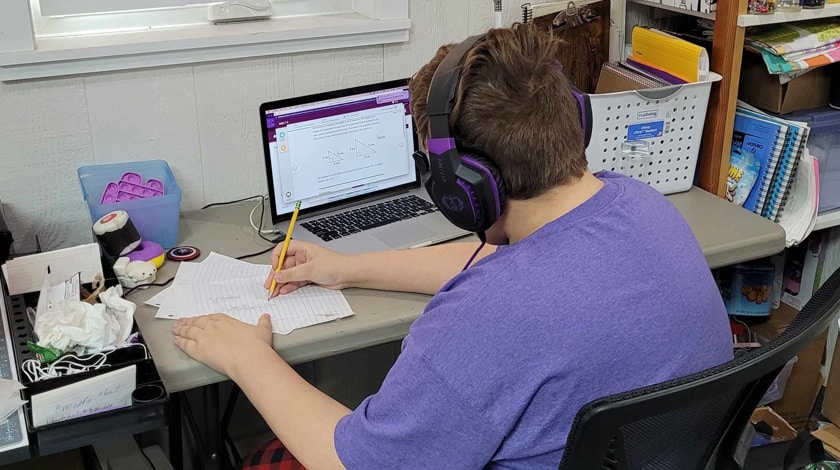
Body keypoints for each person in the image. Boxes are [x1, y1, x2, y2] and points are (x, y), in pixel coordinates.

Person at [172, 23, 732, 469]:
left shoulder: (485, 315)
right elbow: (508, 267)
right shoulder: (638, 202)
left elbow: (349, 460)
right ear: (573, 119)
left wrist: (249, 358)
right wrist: (346, 267)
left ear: (465, 187)